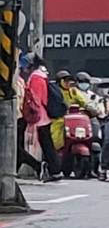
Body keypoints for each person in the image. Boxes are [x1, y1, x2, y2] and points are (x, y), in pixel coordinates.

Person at [19, 53, 62, 182]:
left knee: (47, 144)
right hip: (42, 115)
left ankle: (55, 171)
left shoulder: (36, 77)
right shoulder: (41, 75)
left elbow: (37, 99)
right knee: (46, 143)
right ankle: (53, 170)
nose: (24, 68)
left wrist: (33, 115)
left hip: (40, 116)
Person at [50, 70, 87, 153]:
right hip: (59, 118)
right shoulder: (56, 91)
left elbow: (84, 102)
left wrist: (90, 108)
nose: (68, 83)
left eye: (69, 80)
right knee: (56, 134)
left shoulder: (73, 91)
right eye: (65, 80)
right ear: (60, 81)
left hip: (74, 118)